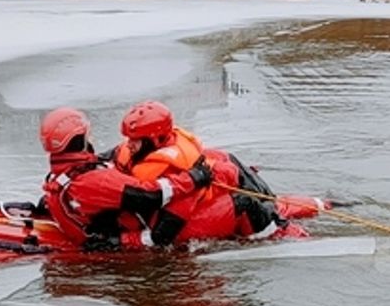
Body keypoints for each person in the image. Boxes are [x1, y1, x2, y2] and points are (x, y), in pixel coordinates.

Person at [38, 107, 215, 251]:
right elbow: (151, 195)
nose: (90, 138)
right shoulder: (94, 181)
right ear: (78, 140)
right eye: (87, 135)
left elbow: (105, 159)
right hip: (124, 237)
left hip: (101, 226)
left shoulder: (63, 171)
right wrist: (194, 178)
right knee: (231, 199)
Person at [111, 101, 290, 241]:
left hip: (184, 217)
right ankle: (274, 207)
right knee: (223, 160)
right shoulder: (141, 149)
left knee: (247, 202)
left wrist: (131, 241)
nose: (129, 144)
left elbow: (168, 227)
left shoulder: (176, 168)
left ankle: (278, 231)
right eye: (128, 138)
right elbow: (112, 156)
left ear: (156, 139)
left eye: (135, 140)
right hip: (198, 201)